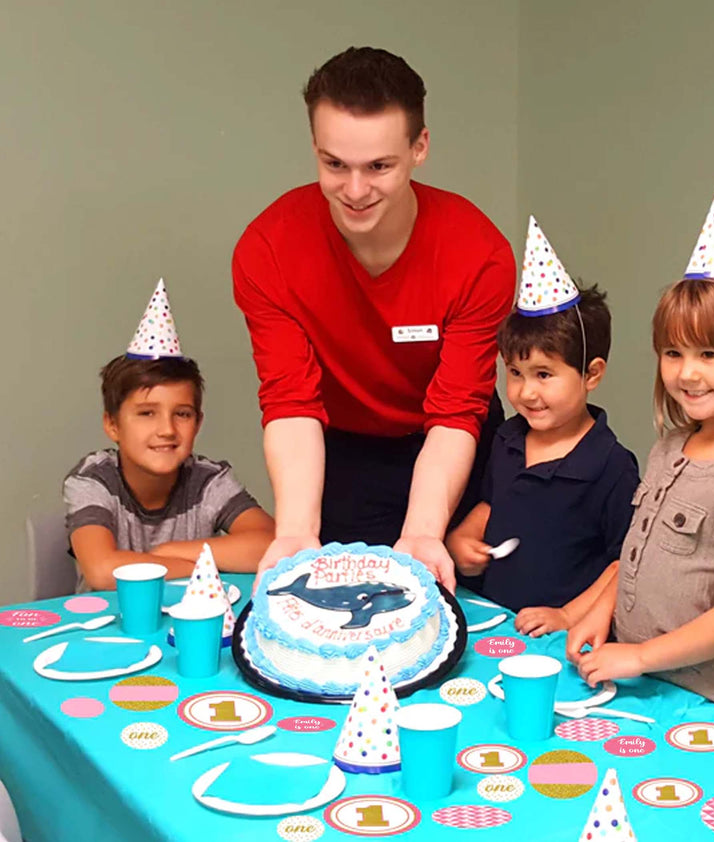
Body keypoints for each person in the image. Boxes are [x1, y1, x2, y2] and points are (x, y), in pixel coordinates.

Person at [232, 47, 515, 591]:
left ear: (419, 148)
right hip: (341, 449)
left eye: (378, 166)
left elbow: (457, 410)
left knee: (464, 605)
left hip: (451, 441)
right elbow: (290, 402)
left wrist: (424, 531)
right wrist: (293, 530)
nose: (355, 191)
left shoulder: (479, 253)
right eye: (334, 164)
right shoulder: (268, 248)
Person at [567, 179, 714, 726]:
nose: (686, 372)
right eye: (673, 352)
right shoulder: (671, 448)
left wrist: (641, 655)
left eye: (710, 353)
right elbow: (638, 556)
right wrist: (602, 613)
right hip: (646, 687)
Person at [446, 215, 639, 633]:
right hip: (496, 621)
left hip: (564, 637)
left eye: (543, 375)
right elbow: (493, 504)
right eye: (515, 373)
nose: (526, 392)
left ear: (592, 374)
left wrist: (569, 616)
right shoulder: (508, 437)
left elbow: (627, 563)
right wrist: (462, 536)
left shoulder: (611, 466)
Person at [64, 281, 275, 592]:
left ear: (198, 422)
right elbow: (102, 571)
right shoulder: (93, 480)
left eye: (182, 414)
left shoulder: (208, 481)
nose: (167, 429)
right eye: (147, 413)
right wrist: (201, 567)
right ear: (112, 425)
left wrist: (168, 553)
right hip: (107, 628)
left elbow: (271, 544)